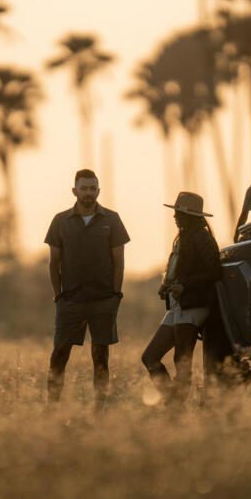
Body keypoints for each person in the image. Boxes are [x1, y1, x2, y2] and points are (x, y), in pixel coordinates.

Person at [44, 169, 130, 405]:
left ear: (98, 191)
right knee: (59, 354)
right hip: (70, 300)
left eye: (93, 188)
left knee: (100, 357)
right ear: (75, 190)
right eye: (84, 188)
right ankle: (52, 407)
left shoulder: (112, 220)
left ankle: (99, 409)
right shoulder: (60, 221)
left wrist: (116, 295)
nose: (89, 193)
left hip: (103, 300)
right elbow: (54, 263)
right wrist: (58, 295)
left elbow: (119, 262)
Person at [141, 192, 223, 404]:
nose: (175, 216)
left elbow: (214, 271)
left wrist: (184, 285)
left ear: (190, 216)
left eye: (179, 212)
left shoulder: (201, 238)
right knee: (150, 357)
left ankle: (174, 405)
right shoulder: (185, 236)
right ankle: (172, 400)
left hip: (194, 305)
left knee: (181, 360)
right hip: (181, 304)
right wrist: (167, 285)